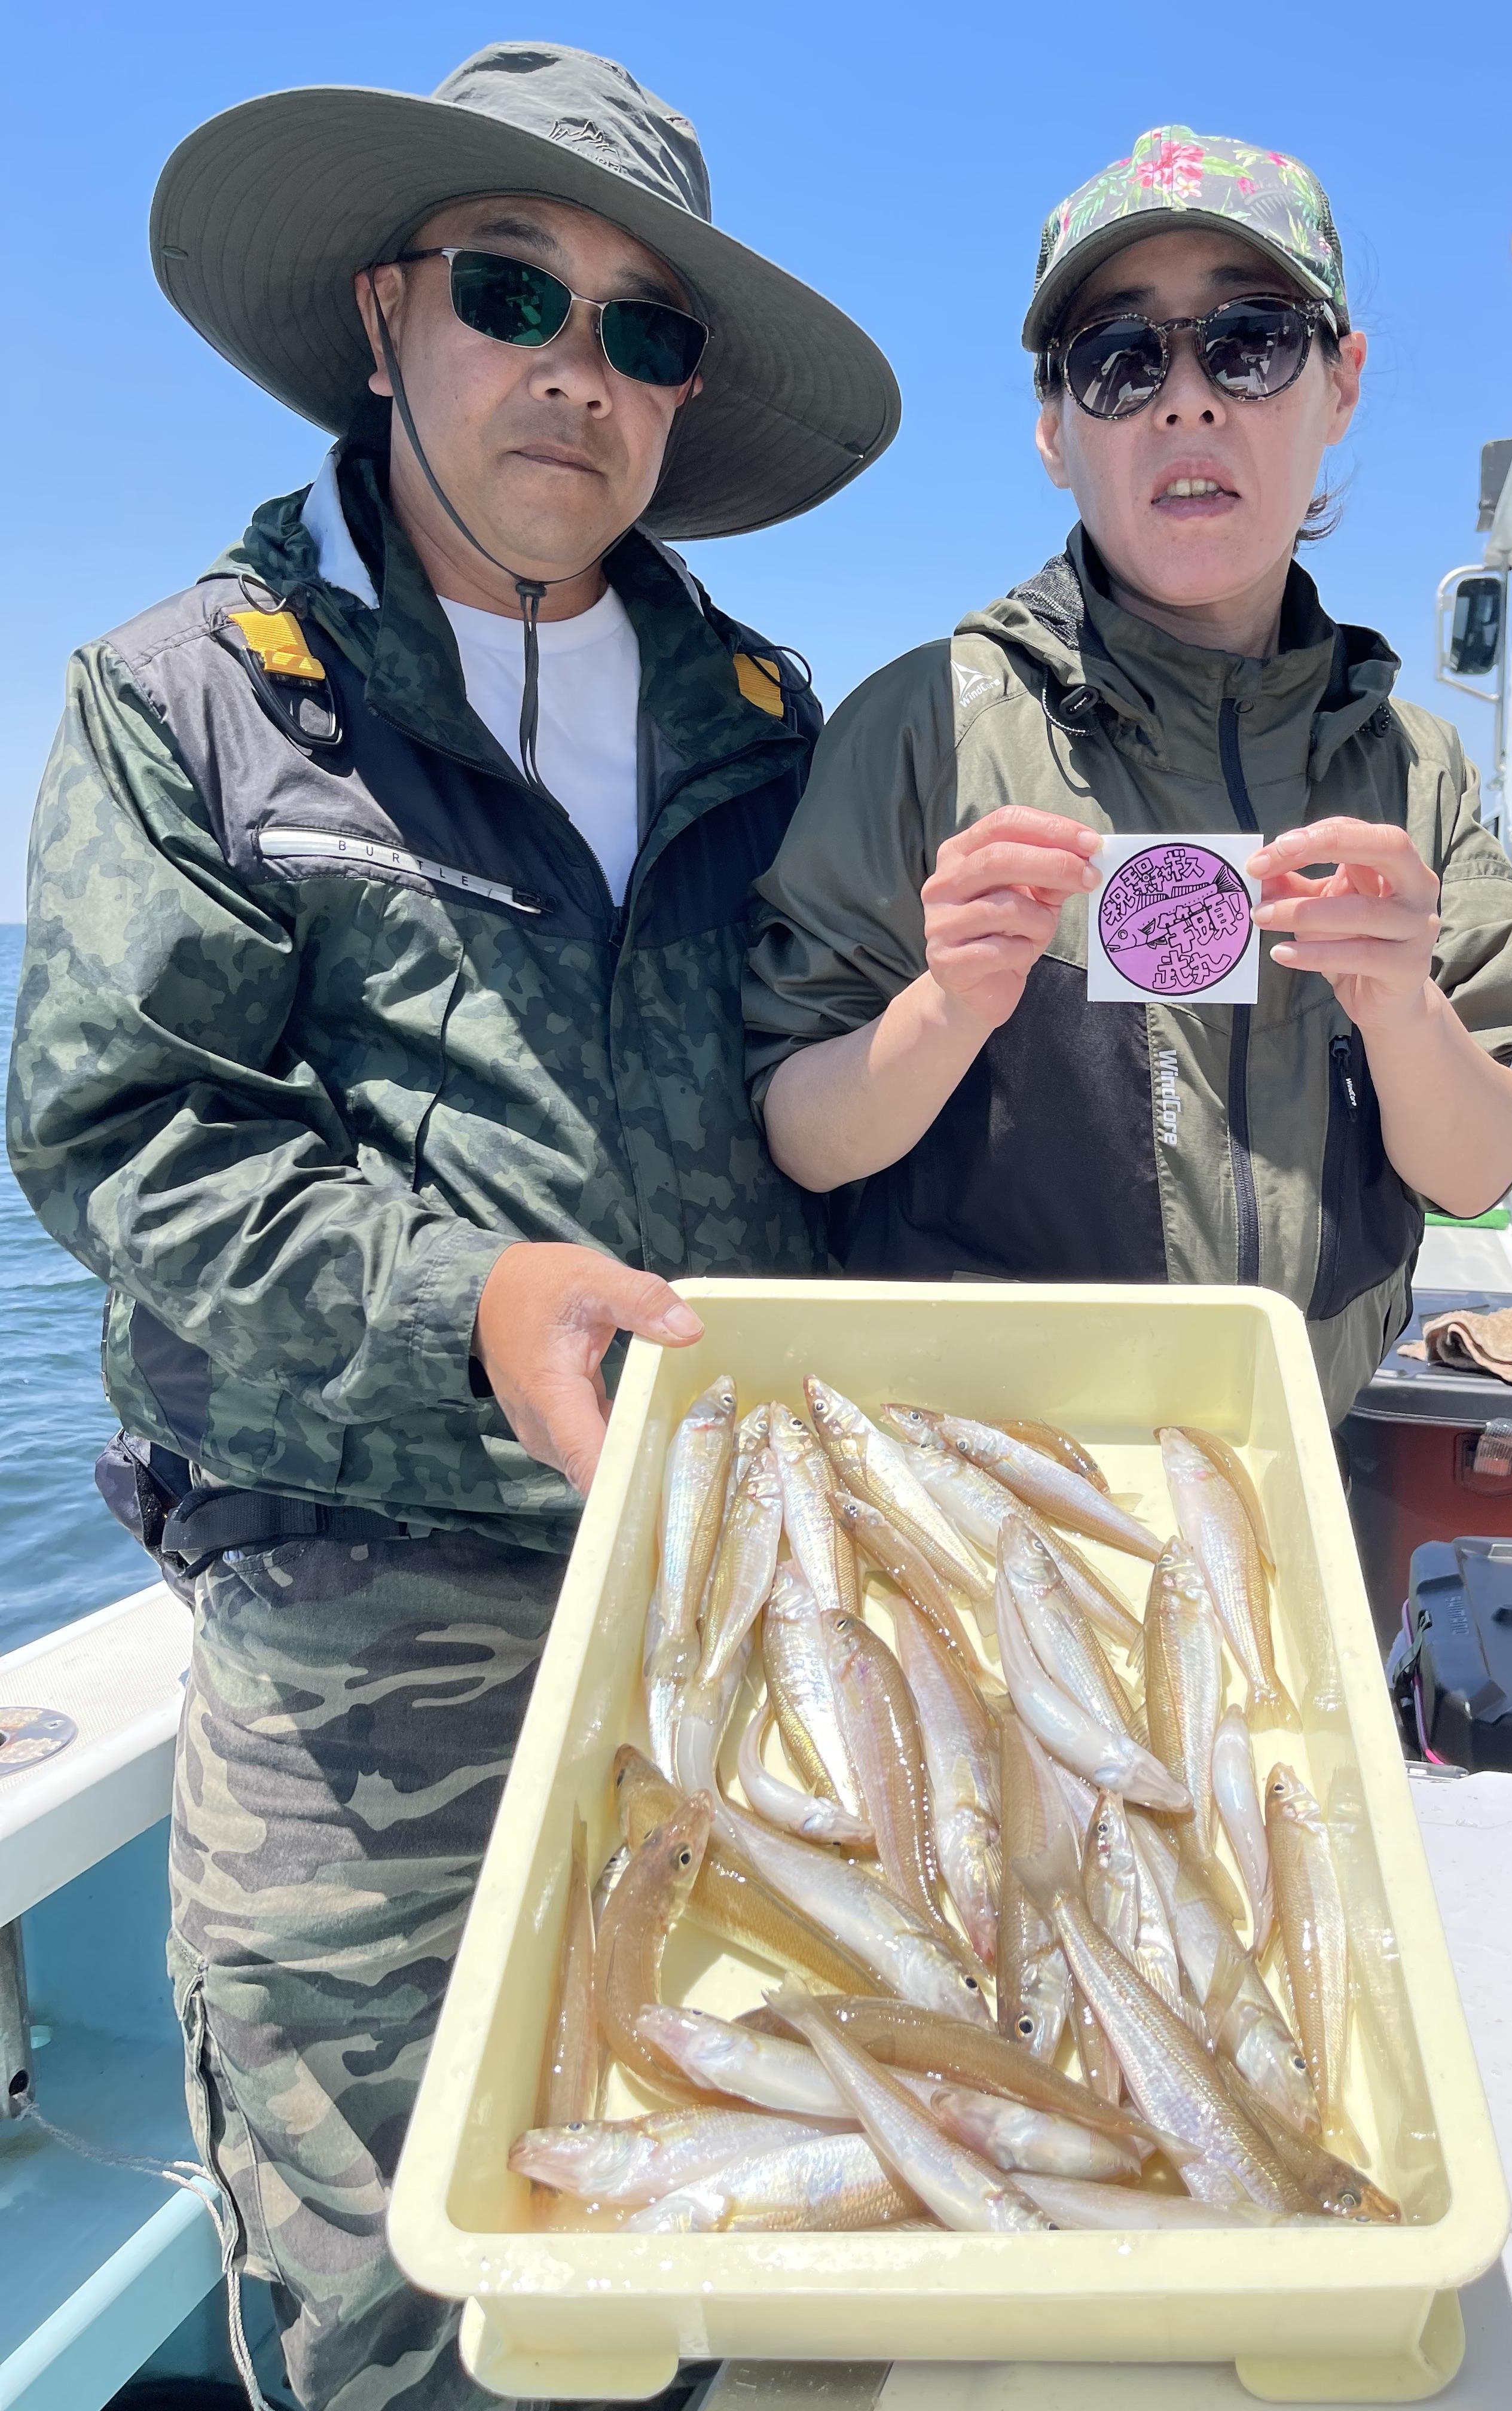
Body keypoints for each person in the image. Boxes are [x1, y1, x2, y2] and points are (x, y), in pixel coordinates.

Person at [7, 40, 896, 2409]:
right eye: (518, 293)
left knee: (733, 2253)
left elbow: (845, 1118)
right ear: (391, 309)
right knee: (395, 2312)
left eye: (647, 329)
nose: (577, 371)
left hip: (724, 1622)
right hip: (352, 1645)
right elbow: (122, 1135)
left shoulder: (778, 727)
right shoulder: (190, 699)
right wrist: (461, 1311)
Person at [744, 128, 1512, 1421]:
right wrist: (949, 1008)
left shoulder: (1413, 767)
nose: (1187, 399)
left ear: (1342, 384)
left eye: (1249, 342)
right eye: (1120, 358)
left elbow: (1480, 1171)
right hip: (983, 1472)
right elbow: (798, 1135)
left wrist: (1402, 1006)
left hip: (1298, 1454)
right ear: (1053, 429)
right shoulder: (925, 722)